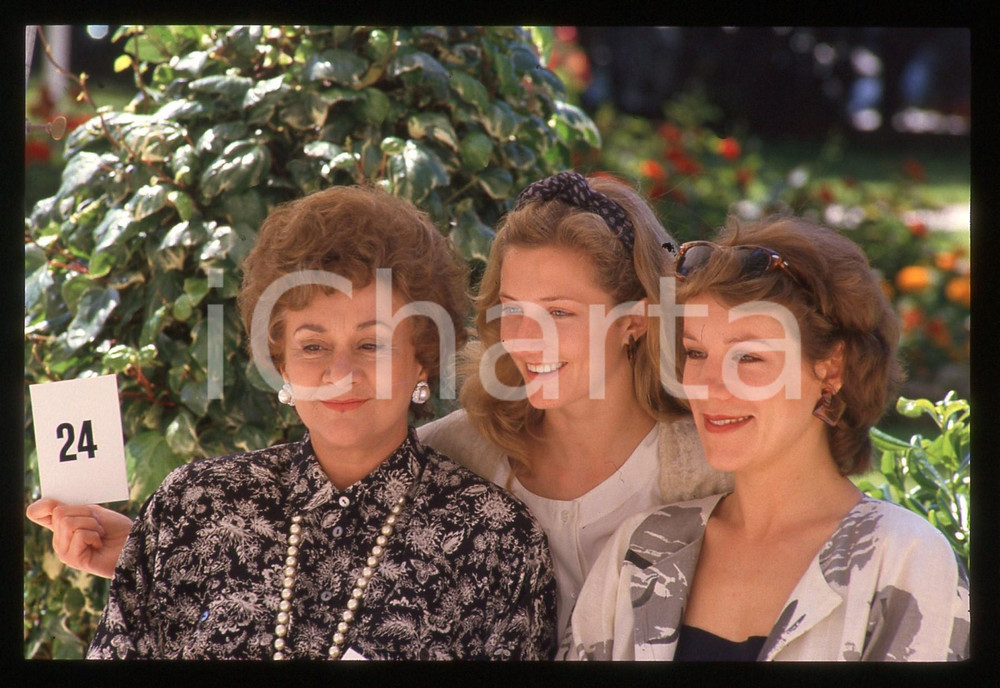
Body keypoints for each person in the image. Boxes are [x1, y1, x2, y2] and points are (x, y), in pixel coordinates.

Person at [29, 172, 733, 649]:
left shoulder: (496, 529)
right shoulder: (463, 449)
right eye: (512, 311)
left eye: (560, 312)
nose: (340, 374)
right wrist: (156, 545)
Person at [567, 215, 970, 661]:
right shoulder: (641, 550)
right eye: (697, 352)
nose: (709, 385)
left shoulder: (904, 562)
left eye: (749, 356)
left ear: (830, 370)